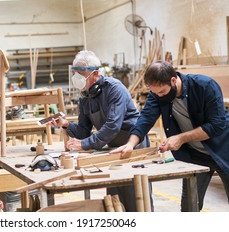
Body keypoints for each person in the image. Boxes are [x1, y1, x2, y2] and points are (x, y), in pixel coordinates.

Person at [111, 61, 229, 212]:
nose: (159, 96)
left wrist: (180, 138)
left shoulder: (205, 86)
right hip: (196, 156)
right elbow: (145, 119)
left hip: (226, 149)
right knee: (189, 208)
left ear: (173, 80)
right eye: (156, 93)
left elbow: (215, 126)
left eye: (163, 92)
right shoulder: (157, 94)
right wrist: (131, 144)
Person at [50, 50, 152, 212]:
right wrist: (66, 125)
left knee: (137, 197)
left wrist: (84, 144)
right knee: (115, 197)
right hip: (111, 148)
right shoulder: (85, 96)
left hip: (133, 146)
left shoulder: (114, 89)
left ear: (95, 73)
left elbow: (112, 126)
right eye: (74, 73)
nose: (76, 78)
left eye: (80, 74)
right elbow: (84, 130)